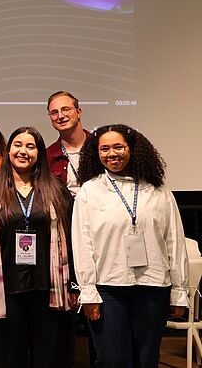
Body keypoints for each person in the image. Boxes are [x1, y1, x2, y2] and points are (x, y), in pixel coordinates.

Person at [73, 124, 189, 367]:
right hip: (108, 287)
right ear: (96, 153)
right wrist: (88, 291)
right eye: (104, 149)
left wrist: (179, 291)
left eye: (118, 146)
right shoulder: (89, 191)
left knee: (146, 360)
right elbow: (82, 244)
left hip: (153, 286)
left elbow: (174, 241)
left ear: (132, 148)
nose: (112, 154)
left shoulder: (158, 190)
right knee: (113, 360)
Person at [0, 127, 76, 368]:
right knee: (8, 358)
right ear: (8, 151)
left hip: (48, 288)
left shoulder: (57, 190)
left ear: (39, 153)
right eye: (18, 145)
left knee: (49, 357)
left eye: (30, 146)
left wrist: (75, 284)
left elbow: (72, 239)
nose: (23, 151)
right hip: (7, 290)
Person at [46, 91, 91, 196]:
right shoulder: (47, 156)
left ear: (78, 112)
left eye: (66, 109)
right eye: (54, 112)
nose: (60, 116)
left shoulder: (100, 147)